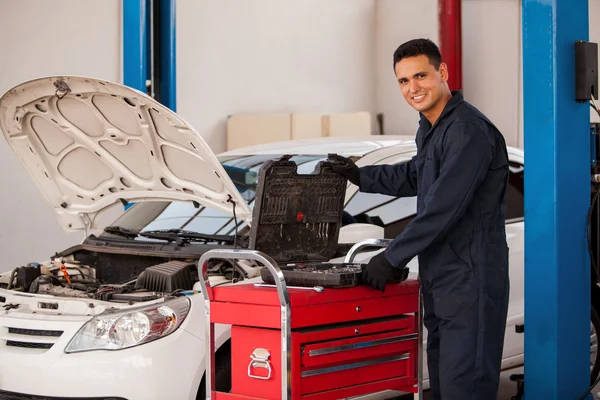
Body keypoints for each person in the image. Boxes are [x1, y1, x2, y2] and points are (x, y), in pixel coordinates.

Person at [331, 38, 510, 400]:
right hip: (442, 278)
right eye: (403, 81)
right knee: (443, 387)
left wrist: (392, 256)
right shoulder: (432, 128)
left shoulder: (467, 130)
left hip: (470, 280)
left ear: (442, 72)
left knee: (466, 387)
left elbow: (443, 207)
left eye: (421, 76)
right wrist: (360, 176)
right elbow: (415, 175)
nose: (413, 88)